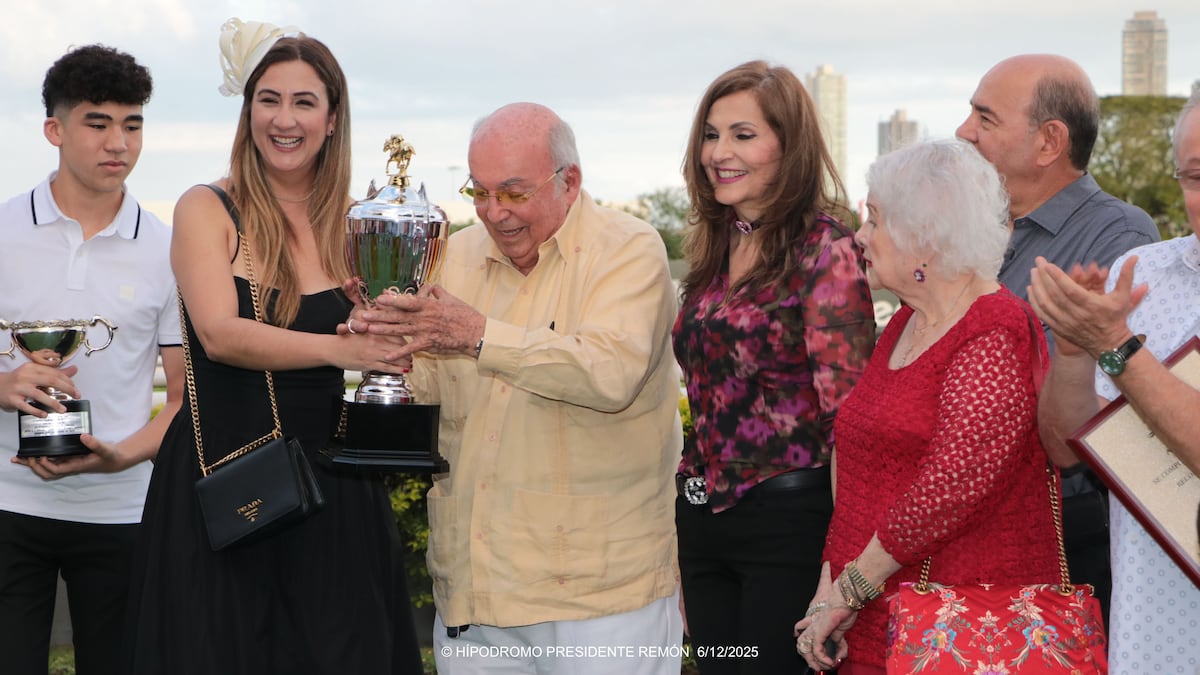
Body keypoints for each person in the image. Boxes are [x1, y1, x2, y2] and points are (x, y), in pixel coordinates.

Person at [122, 19, 421, 674]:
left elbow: (384, 341)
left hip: (334, 487)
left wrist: (386, 334)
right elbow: (219, 334)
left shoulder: (359, 219)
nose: (284, 119)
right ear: (248, 110)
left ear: (333, 118)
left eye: (304, 101)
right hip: (224, 475)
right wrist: (340, 352)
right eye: (269, 99)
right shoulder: (207, 207)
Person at [347, 102, 685, 674]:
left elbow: (610, 374)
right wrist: (383, 343)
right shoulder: (451, 256)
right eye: (477, 192)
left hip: (600, 604)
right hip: (473, 595)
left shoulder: (629, 249)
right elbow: (429, 391)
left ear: (569, 181)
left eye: (513, 193)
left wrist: (478, 335)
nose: (493, 213)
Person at [794, 139, 1061, 675]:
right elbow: (856, 453)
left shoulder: (995, 330)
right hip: (870, 614)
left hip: (960, 628)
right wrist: (833, 577)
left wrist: (848, 589)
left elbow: (951, 486)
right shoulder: (905, 322)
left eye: (875, 220)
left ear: (924, 239)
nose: (860, 237)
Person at [669, 60, 874, 675]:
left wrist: (839, 572)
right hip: (702, 521)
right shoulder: (714, 244)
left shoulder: (829, 249)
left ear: (790, 145)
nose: (719, 153)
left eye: (742, 134)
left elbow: (852, 423)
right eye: (711, 134)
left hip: (789, 530)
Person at [955, 53, 1160, 624]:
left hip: (1057, 532)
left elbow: (1094, 411)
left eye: (985, 118)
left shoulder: (1118, 235)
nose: (963, 131)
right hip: (967, 524)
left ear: (1049, 142)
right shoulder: (980, 229)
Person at [0, 45, 183, 675]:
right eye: (97, 122)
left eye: (132, 124)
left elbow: (188, 399)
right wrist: (3, 385)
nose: (119, 143)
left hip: (123, 508)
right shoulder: (0, 232)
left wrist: (122, 455)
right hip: (5, 501)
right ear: (54, 129)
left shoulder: (169, 248)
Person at [1030, 89, 1200, 674]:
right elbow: (1065, 447)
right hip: (1149, 628)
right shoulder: (1144, 272)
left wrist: (1114, 347)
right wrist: (1075, 351)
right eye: (1196, 176)